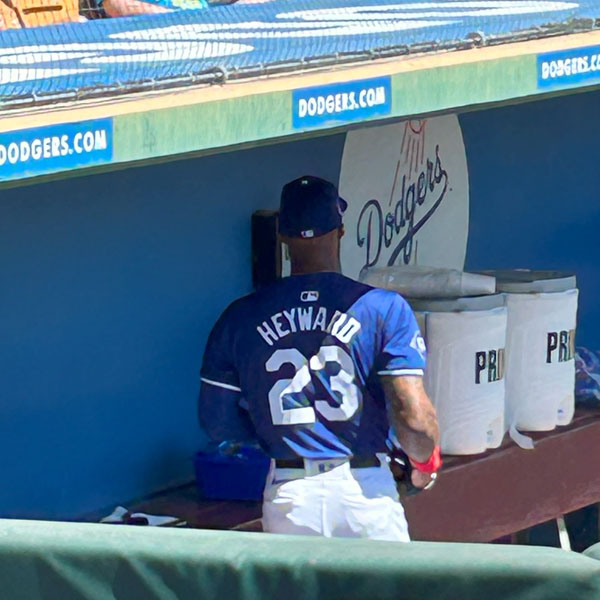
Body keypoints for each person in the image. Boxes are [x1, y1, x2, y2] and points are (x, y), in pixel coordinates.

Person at [198, 175, 440, 542]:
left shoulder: (241, 316)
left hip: (291, 495)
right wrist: (424, 463)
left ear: (281, 235)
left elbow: (217, 422)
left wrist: (274, 434)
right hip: (365, 490)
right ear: (340, 230)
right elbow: (414, 416)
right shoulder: (381, 308)